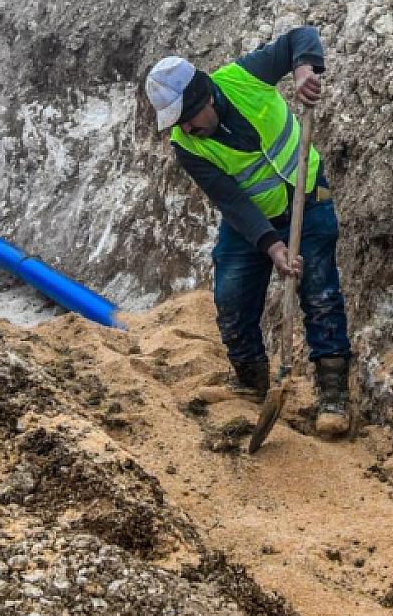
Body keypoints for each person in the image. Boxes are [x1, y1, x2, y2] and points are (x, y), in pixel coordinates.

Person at [144, 27, 352, 437]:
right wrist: (272, 246)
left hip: (308, 196)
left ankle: (333, 396)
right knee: (231, 297)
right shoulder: (186, 146)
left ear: (205, 98)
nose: (185, 129)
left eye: (187, 119)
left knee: (319, 291)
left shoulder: (244, 78)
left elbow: (300, 37)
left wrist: (304, 70)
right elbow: (232, 200)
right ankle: (252, 381)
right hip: (251, 220)